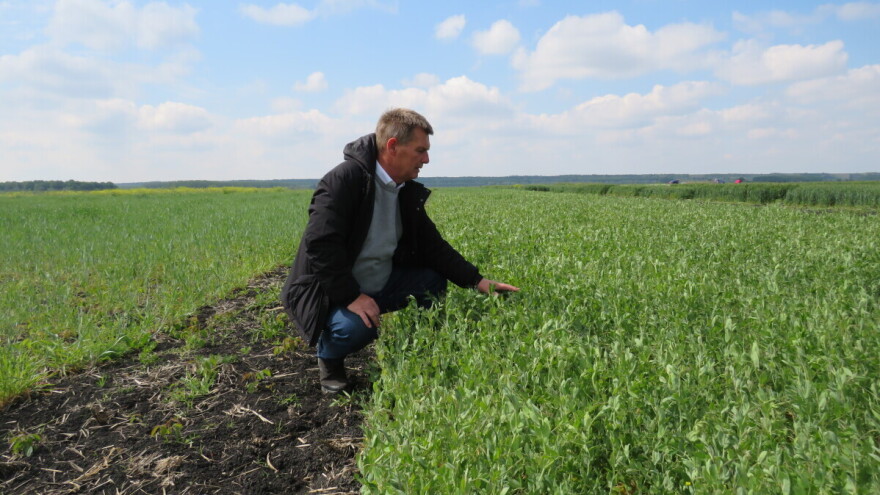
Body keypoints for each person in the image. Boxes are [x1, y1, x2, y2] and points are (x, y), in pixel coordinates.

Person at [281, 108, 519, 393]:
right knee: (357, 326)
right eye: (420, 150)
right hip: (331, 292)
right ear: (393, 146)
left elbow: (433, 246)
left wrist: (478, 281)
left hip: (378, 282)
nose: (426, 159)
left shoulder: (402, 189)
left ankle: (424, 346)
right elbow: (320, 245)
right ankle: (329, 359)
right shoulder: (345, 180)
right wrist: (352, 297)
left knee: (431, 280)